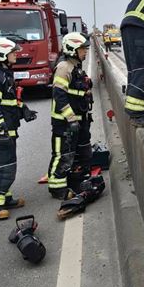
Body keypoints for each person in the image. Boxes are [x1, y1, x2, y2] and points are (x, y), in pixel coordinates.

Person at [0, 37, 36, 220]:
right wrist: (0, 129)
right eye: (12, 51)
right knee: (0, 168)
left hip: (4, 132)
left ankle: (4, 197)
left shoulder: (3, 74)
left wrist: (22, 111)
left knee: (8, 166)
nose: (15, 54)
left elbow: (7, 103)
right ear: (1, 54)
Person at [48, 32, 93, 200]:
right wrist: (71, 119)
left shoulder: (75, 67)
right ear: (72, 49)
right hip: (65, 122)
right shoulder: (63, 68)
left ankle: (78, 181)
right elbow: (59, 96)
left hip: (80, 120)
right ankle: (57, 188)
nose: (85, 52)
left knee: (82, 152)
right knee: (63, 155)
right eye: (82, 49)